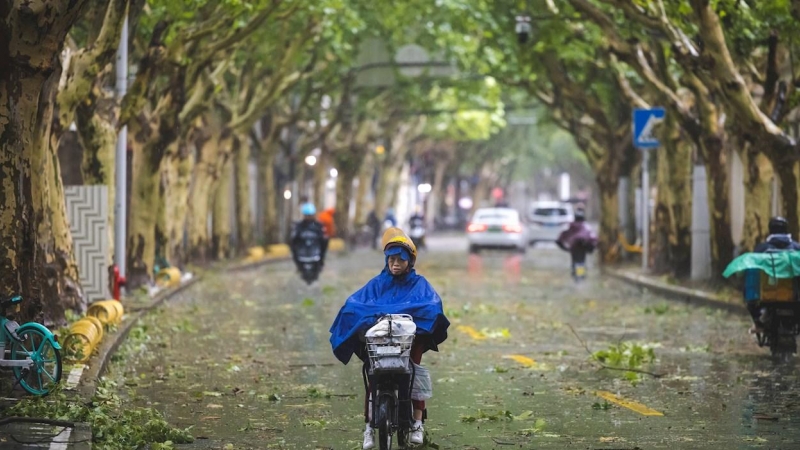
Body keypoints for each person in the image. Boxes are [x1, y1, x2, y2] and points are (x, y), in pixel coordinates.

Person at [329, 228, 450, 449]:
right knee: (371, 375)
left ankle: (416, 421)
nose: (395, 264)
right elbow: (356, 303)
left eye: (400, 260)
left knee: (414, 371)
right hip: (379, 344)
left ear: (410, 262)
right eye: (391, 259)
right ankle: (368, 425)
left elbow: (432, 306)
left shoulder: (419, 284)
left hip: (407, 342)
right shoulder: (376, 284)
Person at [745, 216, 800, 333]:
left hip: (768, 295)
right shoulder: (796, 248)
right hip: (793, 296)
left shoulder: (762, 248)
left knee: (751, 303)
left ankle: (758, 325)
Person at [556, 209, 598, 279]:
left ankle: (577, 275)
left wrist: (564, 247)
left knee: (576, 261)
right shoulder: (586, 227)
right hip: (582, 247)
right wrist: (592, 246)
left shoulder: (571, 226)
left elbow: (561, 238)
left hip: (574, 248)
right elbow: (593, 238)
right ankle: (580, 277)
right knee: (581, 262)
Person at [289, 203, 328, 271]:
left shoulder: (318, 225)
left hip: (315, 251)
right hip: (302, 251)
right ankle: (297, 263)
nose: (308, 217)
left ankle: (321, 261)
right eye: (307, 215)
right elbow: (295, 237)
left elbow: (322, 236)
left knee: (325, 240)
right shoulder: (299, 225)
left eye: (310, 215)